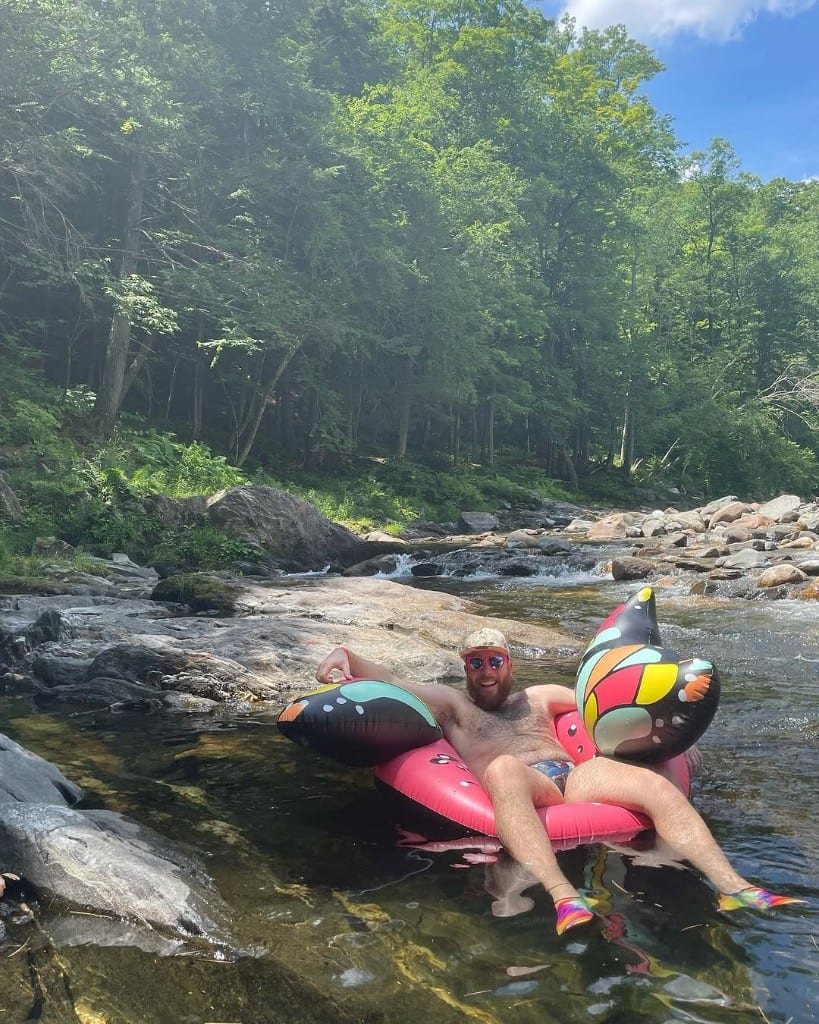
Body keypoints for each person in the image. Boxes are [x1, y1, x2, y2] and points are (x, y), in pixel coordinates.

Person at [316, 628, 802, 936]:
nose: (485, 672)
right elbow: (394, 684)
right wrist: (348, 656)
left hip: (573, 778)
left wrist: (671, 737)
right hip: (523, 786)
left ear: (510, 664)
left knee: (655, 789)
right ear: (465, 667)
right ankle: (562, 894)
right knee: (504, 768)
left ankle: (733, 885)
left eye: (494, 661)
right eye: (475, 662)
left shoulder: (541, 697)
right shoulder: (453, 706)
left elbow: (607, 702)